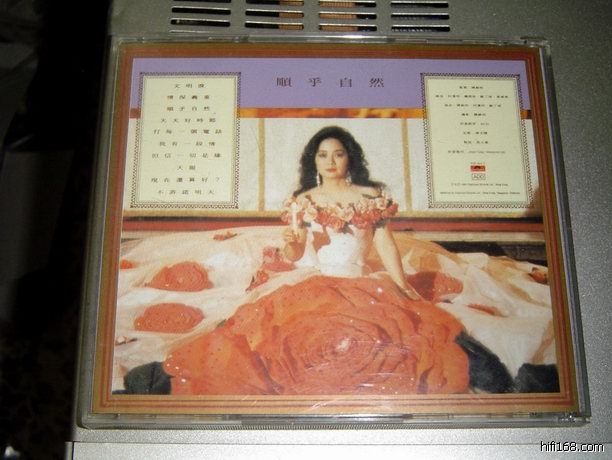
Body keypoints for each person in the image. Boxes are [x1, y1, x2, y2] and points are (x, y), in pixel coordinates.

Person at [280, 125, 422, 299]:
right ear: (314, 160)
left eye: (338, 155)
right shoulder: (304, 200)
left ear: (349, 158)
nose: (330, 162)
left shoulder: (370, 196)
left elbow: (386, 246)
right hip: (320, 289)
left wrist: (403, 287)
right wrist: (292, 244)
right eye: (323, 155)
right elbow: (295, 255)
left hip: (363, 285)